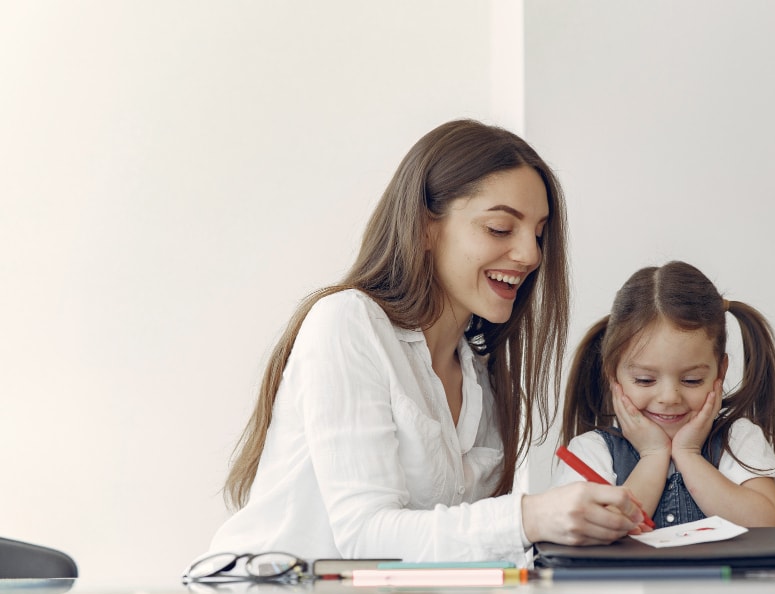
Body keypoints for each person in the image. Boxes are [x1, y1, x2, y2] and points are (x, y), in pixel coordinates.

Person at [204, 119, 650, 568]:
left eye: (538, 233)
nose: (531, 255)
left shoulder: (480, 376)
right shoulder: (348, 323)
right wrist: (529, 517)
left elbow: (449, 546)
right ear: (424, 228)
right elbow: (365, 535)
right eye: (500, 228)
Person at [553, 261, 775, 528]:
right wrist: (653, 455)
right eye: (645, 380)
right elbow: (596, 530)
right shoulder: (592, 451)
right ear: (613, 374)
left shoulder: (737, 439)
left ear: (720, 372)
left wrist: (689, 454)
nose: (669, 397)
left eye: (691, 380)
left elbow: (769, 525)